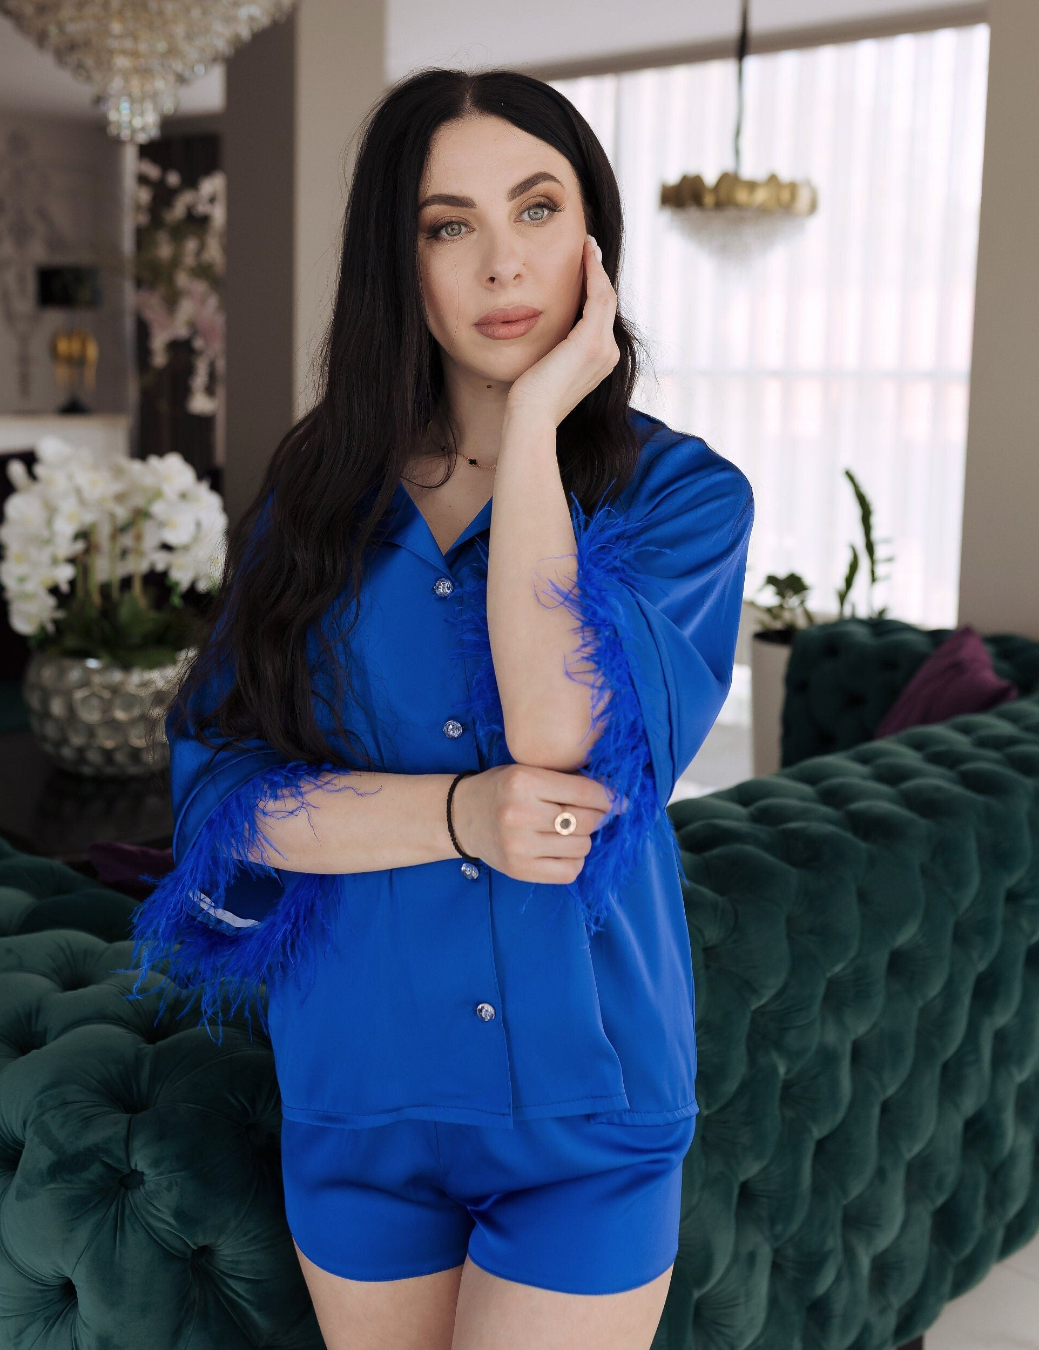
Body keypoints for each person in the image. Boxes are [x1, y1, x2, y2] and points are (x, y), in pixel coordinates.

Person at [130, 66, 754, 1350]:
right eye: (447, 224)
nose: (501, 265)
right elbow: (224, 799)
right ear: (398, 260)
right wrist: (463, 814)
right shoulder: (310, 503)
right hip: (358, 1090)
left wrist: (532, 427)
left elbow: (560, 735)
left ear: (594, 239)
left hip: (589, 1110)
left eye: (536, 210)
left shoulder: (686, 499)